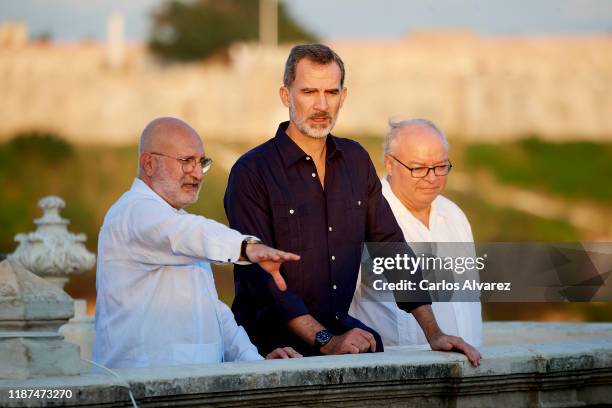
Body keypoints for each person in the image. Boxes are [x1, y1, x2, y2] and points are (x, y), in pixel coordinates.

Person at [224, 44, 481, 366]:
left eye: (331, 92)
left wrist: (434, 332)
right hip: (268, 347)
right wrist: (325, 340)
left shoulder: (355, 160)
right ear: (285, 95)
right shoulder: (252, 171)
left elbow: (391, 247)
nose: (321, 105)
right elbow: (259, 276)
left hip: (338, 338)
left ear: (343, 96)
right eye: (308, 91)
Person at [93, 117, 302, 369]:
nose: (197, 173)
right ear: (149, 163)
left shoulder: (174, 220)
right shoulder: (133, 212)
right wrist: (248, 248)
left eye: (201, 162)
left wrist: (257, 363)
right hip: (142, 391)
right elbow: (188, 232)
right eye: (186, 162)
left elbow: (214, 314)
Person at [349, 119, 483, 348]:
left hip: (468, 368)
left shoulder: (455, 215)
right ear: (389, 164)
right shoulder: (362, 218)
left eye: (441, 166)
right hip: (398, 373)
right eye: (419, 168)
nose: (432, 178)